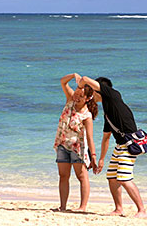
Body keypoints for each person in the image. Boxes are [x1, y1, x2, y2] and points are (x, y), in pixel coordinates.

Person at [76, 76, 147, 218]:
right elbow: (106, 137)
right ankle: (118, 209)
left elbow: (84, 78)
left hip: (130, 144)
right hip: (120, 146)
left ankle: (141, 211)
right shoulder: (108, 112)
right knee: (112, 177)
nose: (89, 95)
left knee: (124, 178)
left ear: (98, 90)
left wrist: (80, 85)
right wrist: (101, 159)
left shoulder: (114, 96)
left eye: (91, 91)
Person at [53, 73, 98, 212]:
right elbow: (62, 81)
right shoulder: (69, 101)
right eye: (76, 92)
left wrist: (94, 157)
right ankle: (63, 206)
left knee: (81, 176)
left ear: (88, 98)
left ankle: (83, 207)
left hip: (77, 149)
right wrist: (74, 75)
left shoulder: (87, 116)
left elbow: (90, 138)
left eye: (80, 95)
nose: (76, 96)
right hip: (62, 145)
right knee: (63, 176)